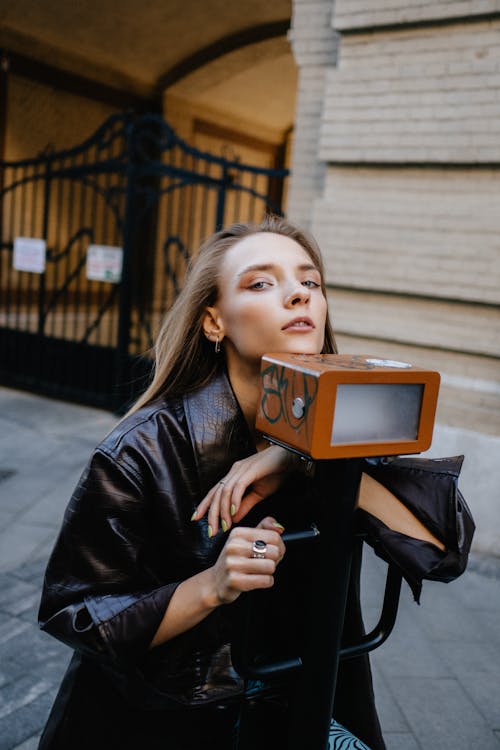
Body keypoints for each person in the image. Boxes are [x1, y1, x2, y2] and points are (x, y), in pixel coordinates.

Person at [38, 214, 443, 750]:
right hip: (167, 718)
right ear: (214, 322)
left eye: (310, 281)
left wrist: (308, 460)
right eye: (261, 282)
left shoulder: (349, 416)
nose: (298, 294)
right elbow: (75, 613)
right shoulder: (141, 449)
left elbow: (439, 549)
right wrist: (210, 587)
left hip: (306, 700)